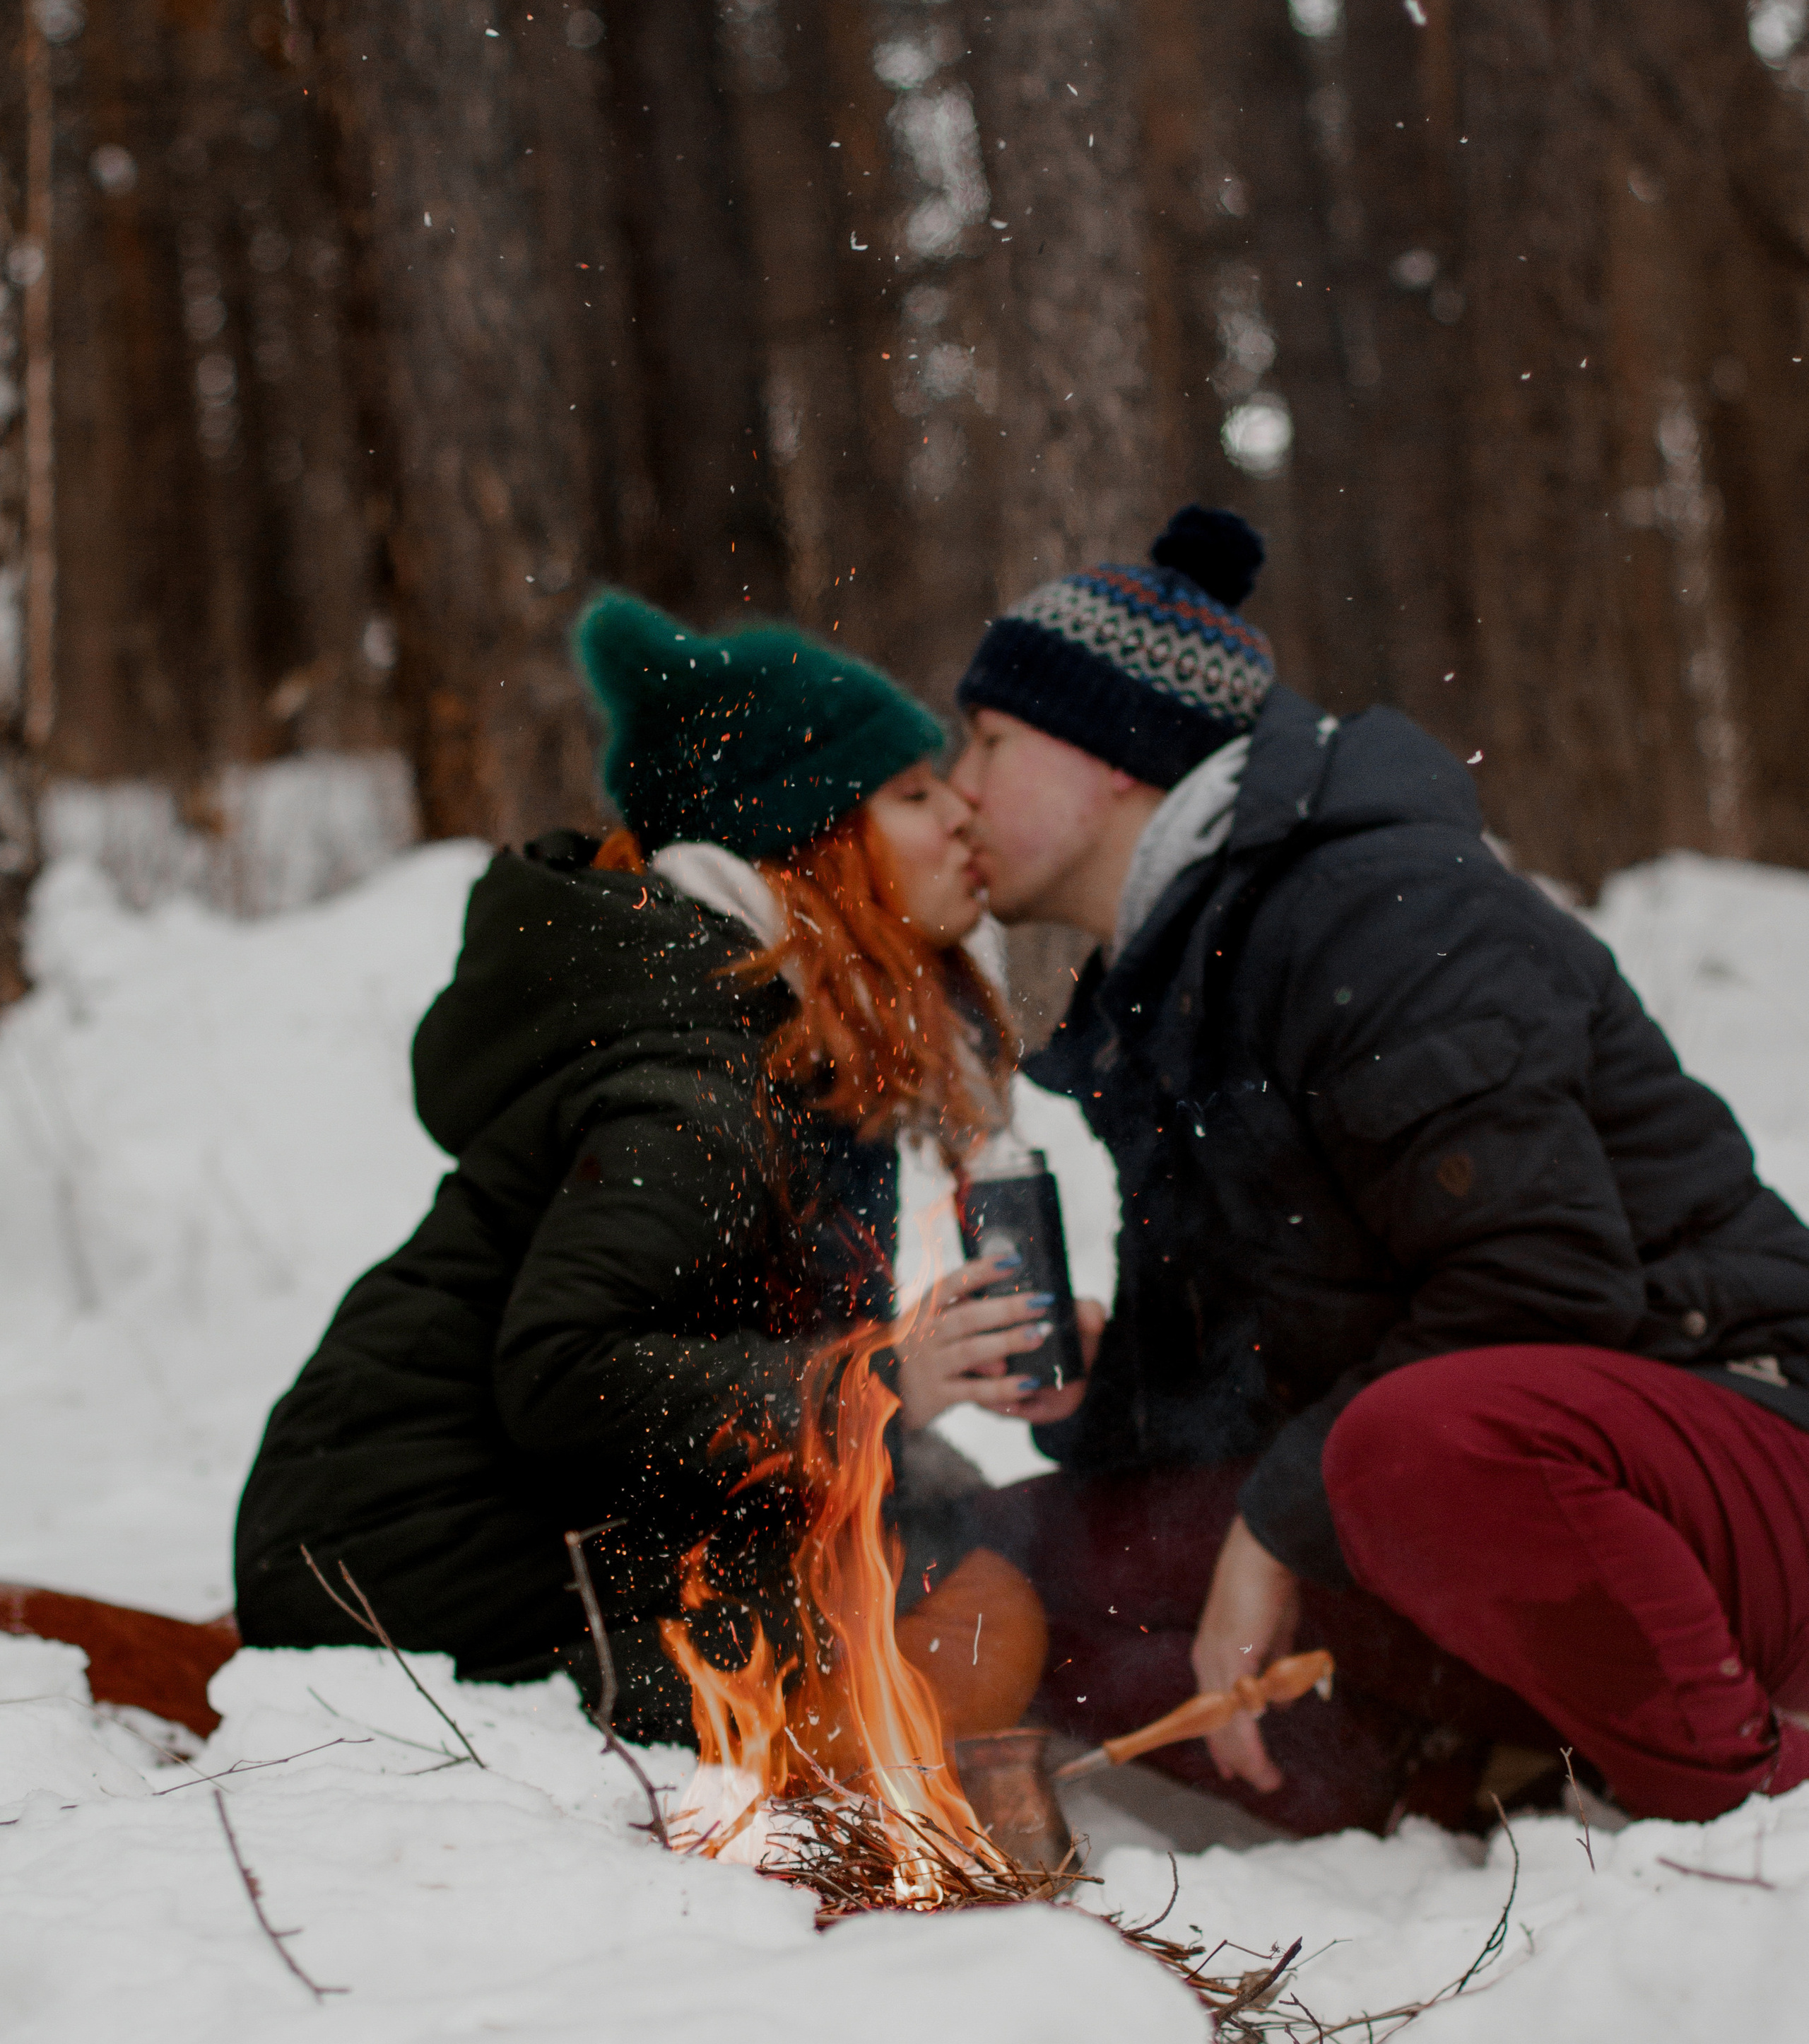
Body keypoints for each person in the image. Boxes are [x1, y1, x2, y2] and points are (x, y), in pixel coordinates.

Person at [938, 503, 1809, 1831]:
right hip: (1518, 1508)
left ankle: (1750, 1813)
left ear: (1114, 752)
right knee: (1008, 1564)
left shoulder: (1385, 912)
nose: (960, 787)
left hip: (1740, 1448)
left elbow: (1542, 1290)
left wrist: (1275, 1528)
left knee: (1407, 1448)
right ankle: (1463, 1762)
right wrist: (1104, 1395)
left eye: (989, 740)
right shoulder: (1172, 987)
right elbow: (1264, 1376)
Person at [234, 594, 1074, 1744]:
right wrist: (878, 1385)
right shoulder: (698, 1085)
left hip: (521, 1538)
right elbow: (567, 1372)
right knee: (946, 1625)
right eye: (917, 794)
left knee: (950, 1558)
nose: (963, 813)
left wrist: (915, 1407)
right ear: (814, 841)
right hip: (396, 1565)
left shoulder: (781, 1040)